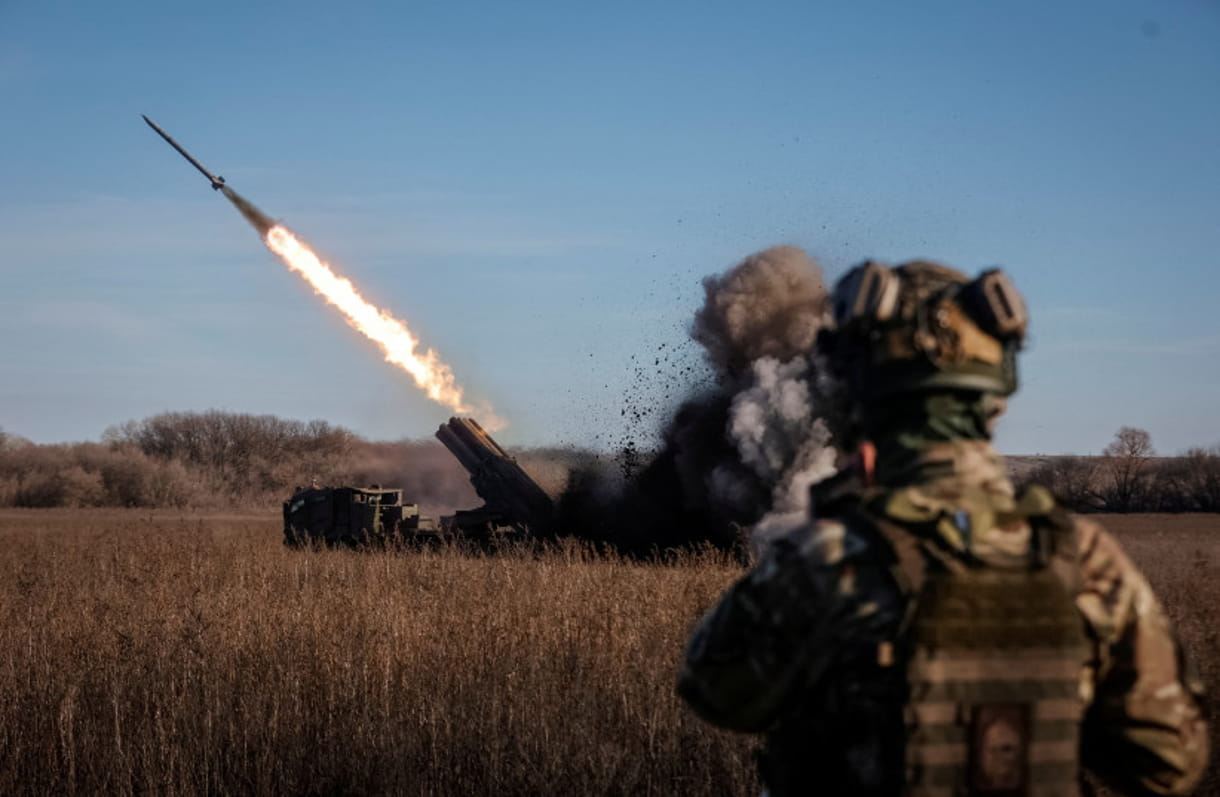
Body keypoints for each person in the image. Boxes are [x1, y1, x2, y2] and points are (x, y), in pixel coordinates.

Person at [677, 261, 1209, 796]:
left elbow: (714, 691)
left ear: (858, 398)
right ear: (994, 398)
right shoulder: (1085, 561)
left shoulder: (826, 560)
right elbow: (1169, 760)